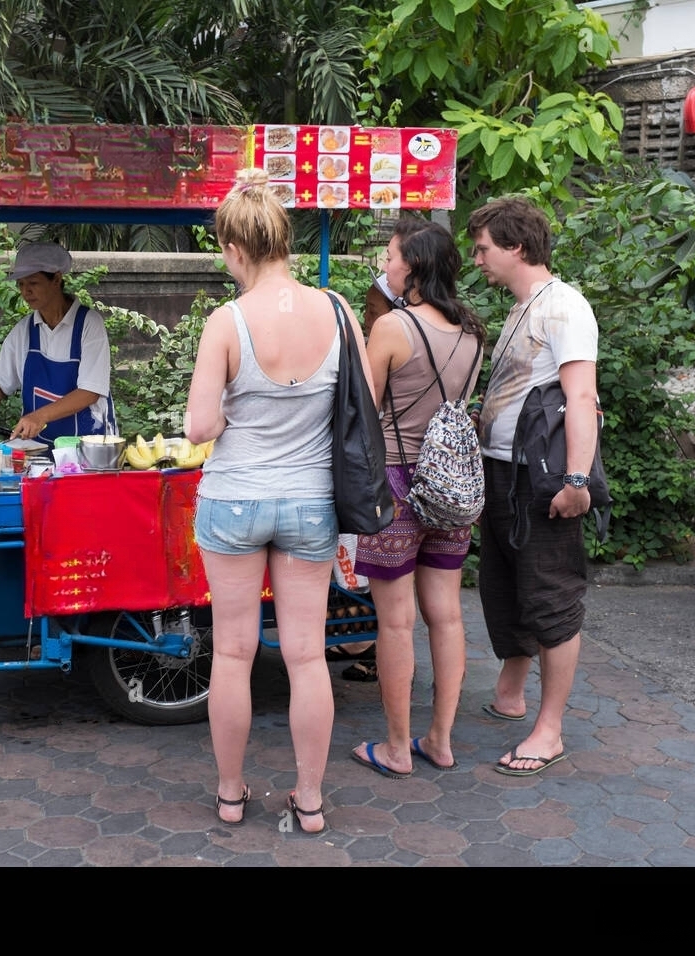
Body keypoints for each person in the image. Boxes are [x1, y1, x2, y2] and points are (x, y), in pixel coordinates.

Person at [185, 167, 371, 834]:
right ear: (285, 239)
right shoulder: (341, 311)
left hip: (234, 501)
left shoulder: (227, 321)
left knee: (233, 653)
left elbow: (200, 428)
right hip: (309, 504)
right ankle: (311, 800)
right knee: (304, 654)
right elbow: (363, 410)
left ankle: (232, 796)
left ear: (236, 249)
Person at [466, 195, 600, 777]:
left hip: (541, 477)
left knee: (549, 596)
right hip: (504, 471)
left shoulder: (565, 308)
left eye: (484, 249)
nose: (477, 260)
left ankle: (550, 729)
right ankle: (513, 692)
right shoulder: (526, 307)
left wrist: (576, 480)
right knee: (505, 585)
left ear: (516, 247)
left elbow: (582, 399)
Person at [349, 218, 486, 778]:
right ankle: (442, 741)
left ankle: (399, 747)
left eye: (390, 257)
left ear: (414, 267)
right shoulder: (474, 332)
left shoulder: (394, 329)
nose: (385, 266)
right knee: (448, 617)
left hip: (398, 485)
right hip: (451, 483)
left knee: (396, 622)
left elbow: (361, 411)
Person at [326, 269, 404, 680]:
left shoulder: (389, 341)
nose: (367, 317)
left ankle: (372, 649)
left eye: (373, 310)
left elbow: (364, 404)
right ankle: (364, 643)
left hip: (381, 469)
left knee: (378, 568)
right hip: (394, 469)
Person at [0, 241, 116, 442]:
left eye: (33, 283)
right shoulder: (24, 330)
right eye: (21, 284)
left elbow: (90, 391)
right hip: (38, 452)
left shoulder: (89, 324)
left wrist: (39, 417)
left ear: (56, 279)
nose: (26, 291)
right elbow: (0, 380)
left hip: (89, 449)